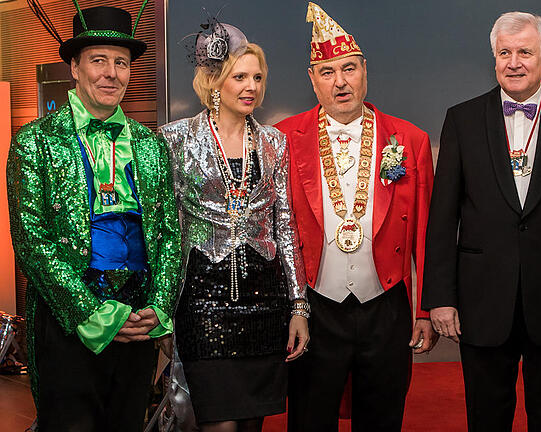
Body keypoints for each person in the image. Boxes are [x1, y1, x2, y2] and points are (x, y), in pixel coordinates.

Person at [422, 11, 541, 432]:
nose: (514, 62)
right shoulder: (462, 118)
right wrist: (440, 296)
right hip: (481, 300)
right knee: (486, 419)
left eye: (525, 51)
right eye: (504, 52)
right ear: (493, 58)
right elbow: (443, 214)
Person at [6, 4, 181, 430]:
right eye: (98, 60)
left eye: (120, 62)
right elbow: (31, 239)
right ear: (75, 68)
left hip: (138, 323)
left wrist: (159, 306)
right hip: (69, 322)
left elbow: (169, 233)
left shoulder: (151, 143)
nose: (111, 73)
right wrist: (92, 313)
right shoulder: (34, 142)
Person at [274, 3, 437, 431]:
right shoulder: (284, 138)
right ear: (312, 79)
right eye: (327, 71)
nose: (340, 81)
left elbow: (424, 234)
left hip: (386, 302)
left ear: (365, 70)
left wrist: (424, 311)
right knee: (310, 418)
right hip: (313, 304)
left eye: (349, 68)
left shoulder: (411, 140)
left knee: (382, 418)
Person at [158, 19, 309, 432]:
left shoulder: (274, 142)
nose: (251, 87)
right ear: (213, 82)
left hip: (265, 304)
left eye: (258, 78)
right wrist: (162, 310)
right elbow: (164, 233)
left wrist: (298, 307)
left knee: (249, 425)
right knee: (218, 425)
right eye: (239, 76)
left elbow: (285, 226)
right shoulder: (175, 139)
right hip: (202, 303)